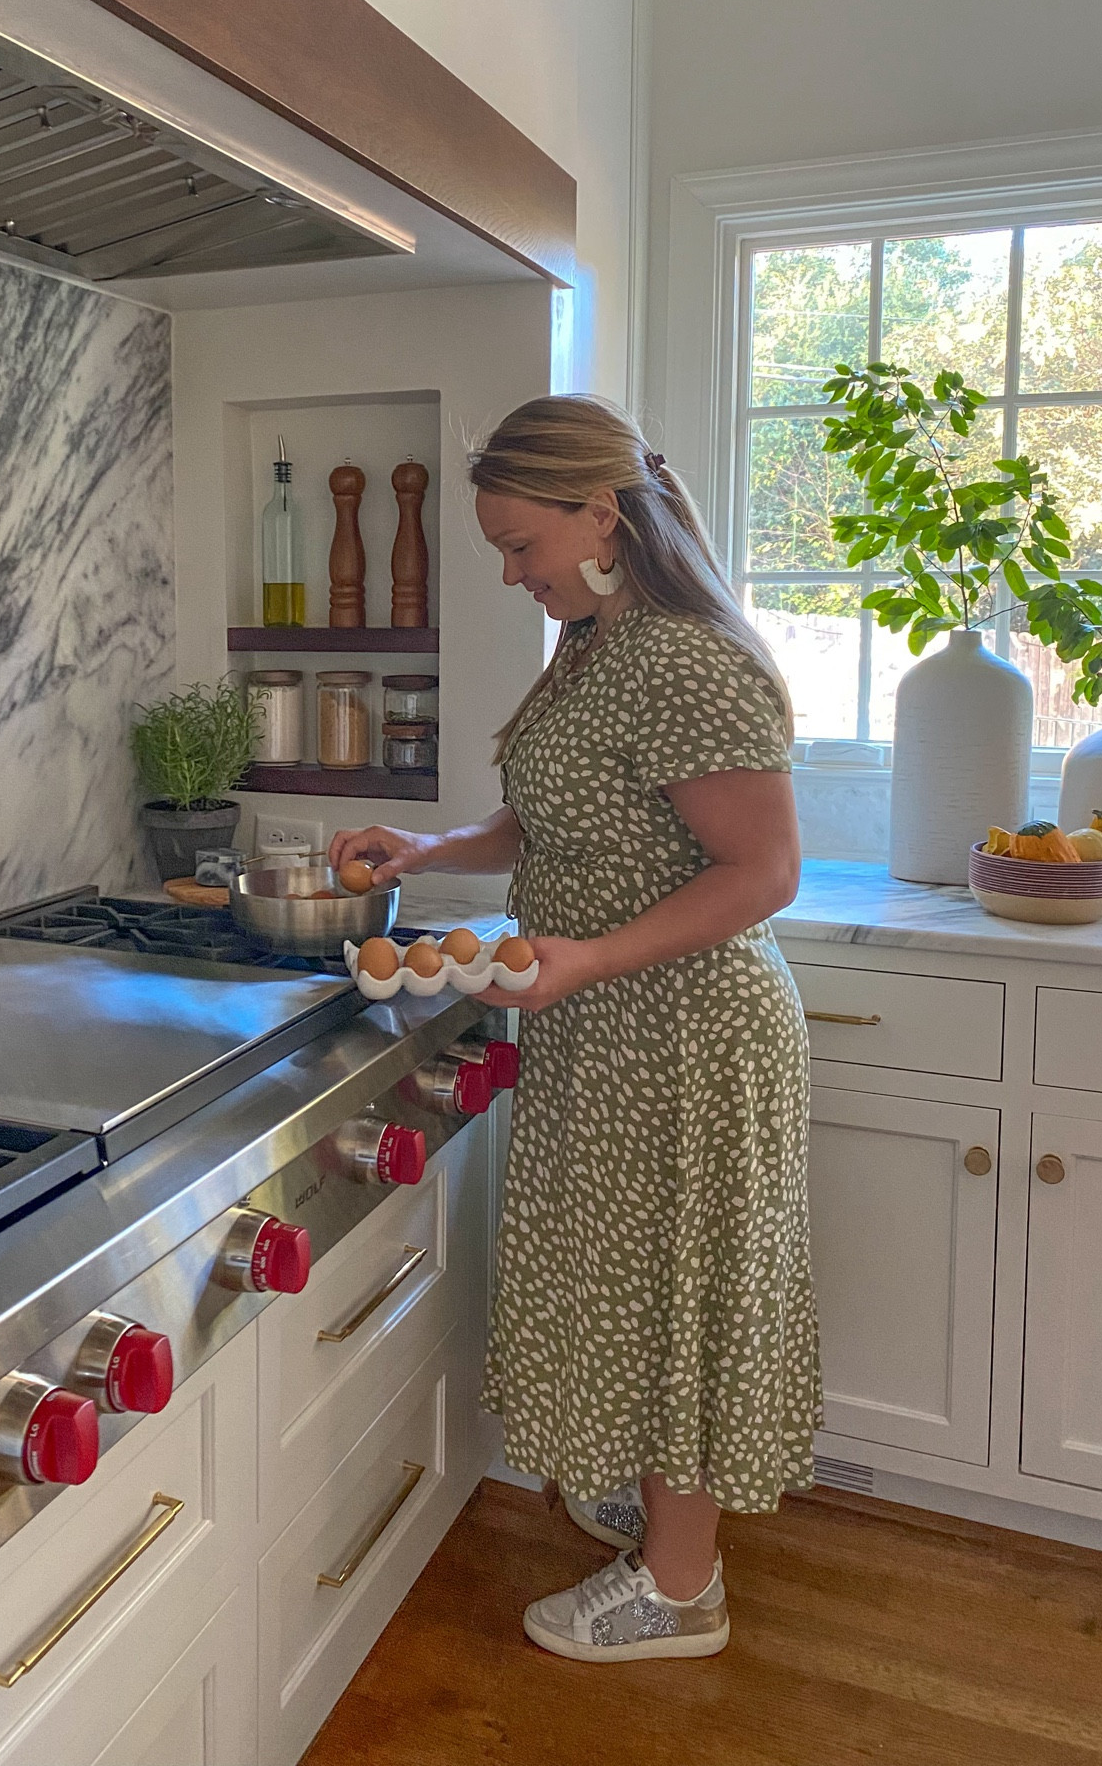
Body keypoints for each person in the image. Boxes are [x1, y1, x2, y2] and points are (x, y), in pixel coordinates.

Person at [329, 395, 818, 1664]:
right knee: (627, 1279)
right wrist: (433, 845)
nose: (511, 573)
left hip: (684, 1037)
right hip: (608, 1031)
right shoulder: (599, 641)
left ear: (600, 514)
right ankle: (665, 1516)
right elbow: (557, 810)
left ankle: (682, 1588)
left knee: (673, 1292)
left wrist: (588, 956)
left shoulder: (685, 660)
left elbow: (766, 871)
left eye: (519, 544)